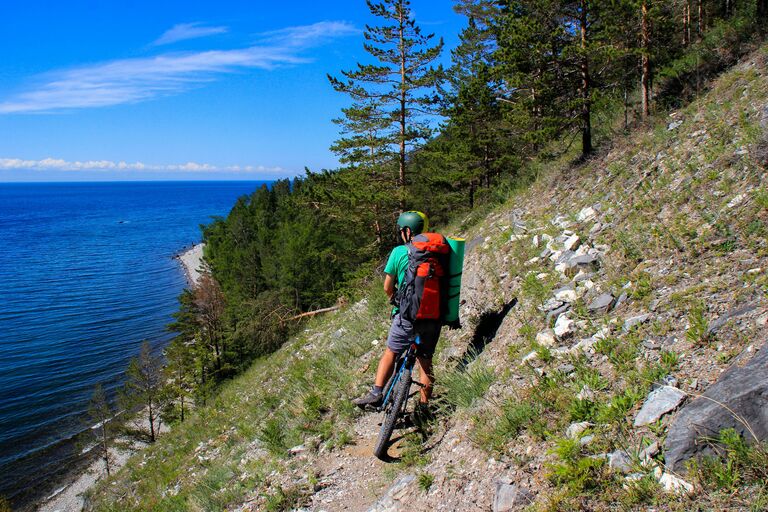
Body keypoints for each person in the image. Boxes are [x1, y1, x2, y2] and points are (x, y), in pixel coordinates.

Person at [353, 211, 442, 412]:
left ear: (407, 231)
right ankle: (424, 407)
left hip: (408, 316)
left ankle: (376, 393)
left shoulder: (399, 252)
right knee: (426, 363)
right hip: (433, 317)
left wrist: (394, 298)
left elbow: (387, 286)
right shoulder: (439, 252)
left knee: (391, 352)